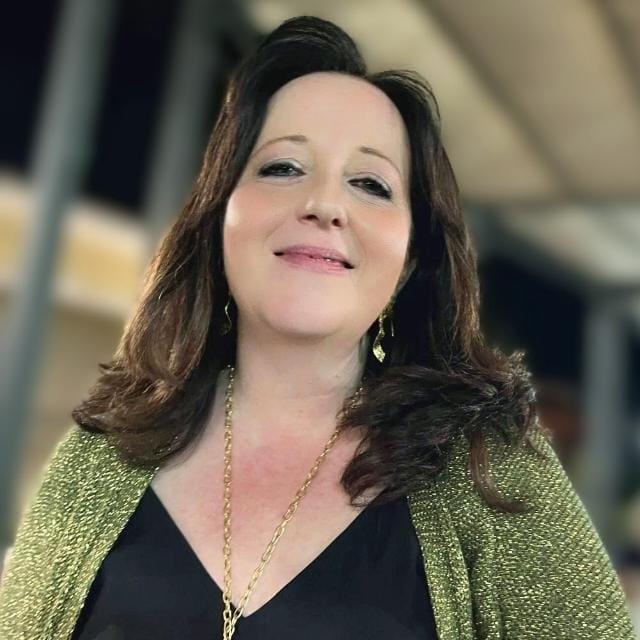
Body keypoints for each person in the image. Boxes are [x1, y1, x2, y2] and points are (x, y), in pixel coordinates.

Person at [0, 15, 635, 640]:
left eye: (370, 183)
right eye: (282, 167)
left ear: (411, 259)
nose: (325, 205)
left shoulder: (491, 468)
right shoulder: (102, 453)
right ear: (219, 217)